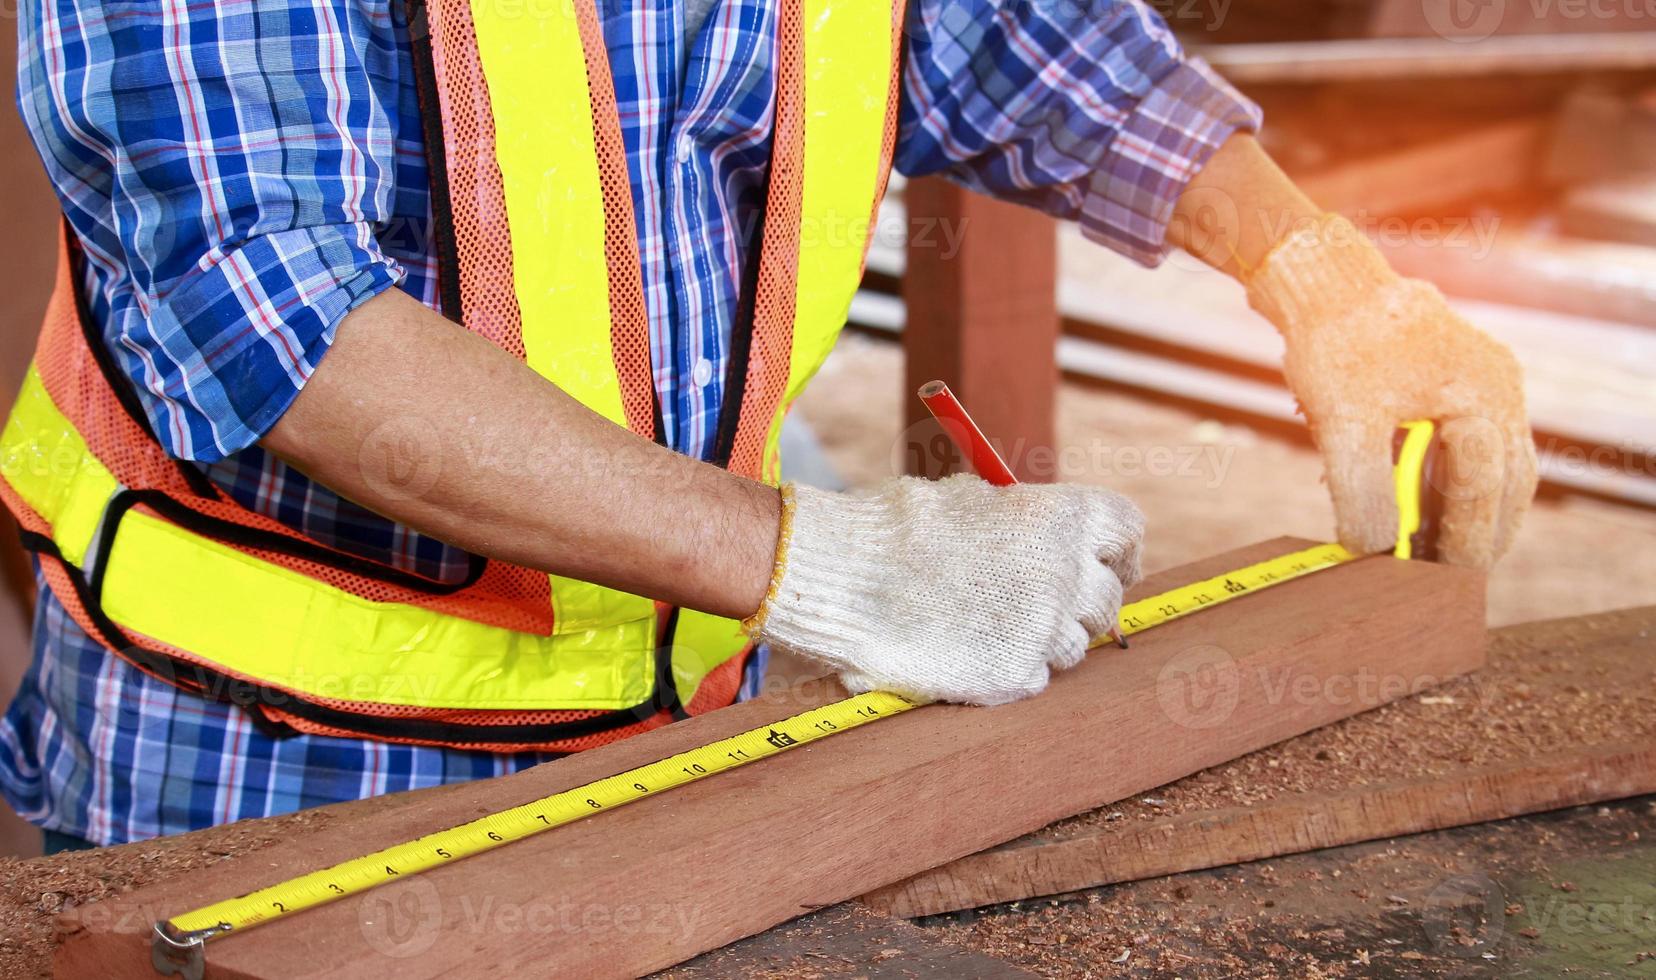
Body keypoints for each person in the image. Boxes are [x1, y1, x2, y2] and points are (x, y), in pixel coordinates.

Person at [0, 0, 1535, 850]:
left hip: (685, 732)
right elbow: (280, 317)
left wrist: (1313, 262)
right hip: (270, 779)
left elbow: (1001, 39)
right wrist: (842, 566)